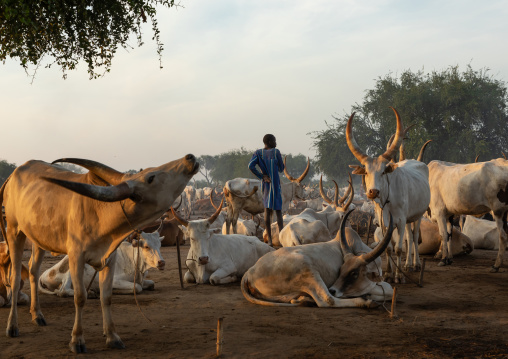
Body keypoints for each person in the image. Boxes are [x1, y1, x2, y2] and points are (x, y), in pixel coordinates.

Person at [248, 134, 284, 247]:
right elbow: (281, 169)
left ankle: (269, 241)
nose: (276, 142)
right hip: (275, 184)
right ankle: (281, 238)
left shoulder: (258, 153)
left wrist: (262, 176)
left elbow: (250, 166)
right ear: (269, 141)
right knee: (278, 211)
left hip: (266, 184)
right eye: (274, 140)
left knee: (267, 211)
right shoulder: (276, 152)